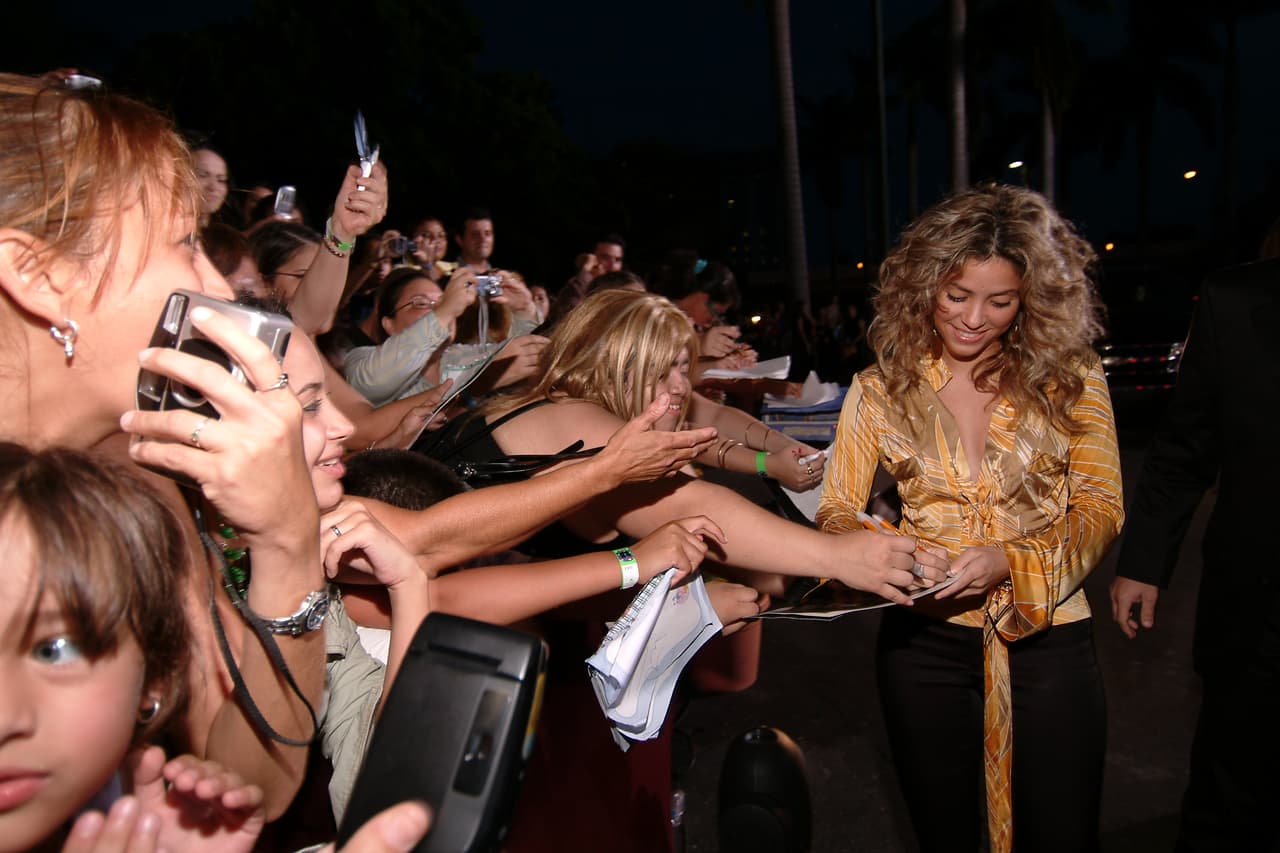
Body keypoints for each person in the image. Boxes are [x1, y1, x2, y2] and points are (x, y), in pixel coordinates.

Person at [418, 287, 948, 852]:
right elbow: (694, 507)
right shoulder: (577, 420)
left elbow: (703, 428)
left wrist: (769, 457)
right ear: (612, 363)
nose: (678, 386)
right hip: (470, 670)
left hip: (486, 645)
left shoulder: (559, 407)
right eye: (661, 369)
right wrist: (836, 557)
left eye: (682, 366)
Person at [817, 184, 1123, 853]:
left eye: (1001, 300)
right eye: (958, 295)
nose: (975, 318)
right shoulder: (879, 387)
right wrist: (888, 547)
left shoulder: (1072, 376)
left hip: (1050, 639)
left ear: (1030, 299)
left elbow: (1100, 508)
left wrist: (1010, 561)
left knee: (1063, 831)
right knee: (943, 832)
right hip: (921, 646)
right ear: (925, 286)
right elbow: (836, 507)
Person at [1108, 254, 1280, 851]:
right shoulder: (1234, 301)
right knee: (1230, 789)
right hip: (1258, 605)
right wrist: (1143, 562)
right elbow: (1185, 445)